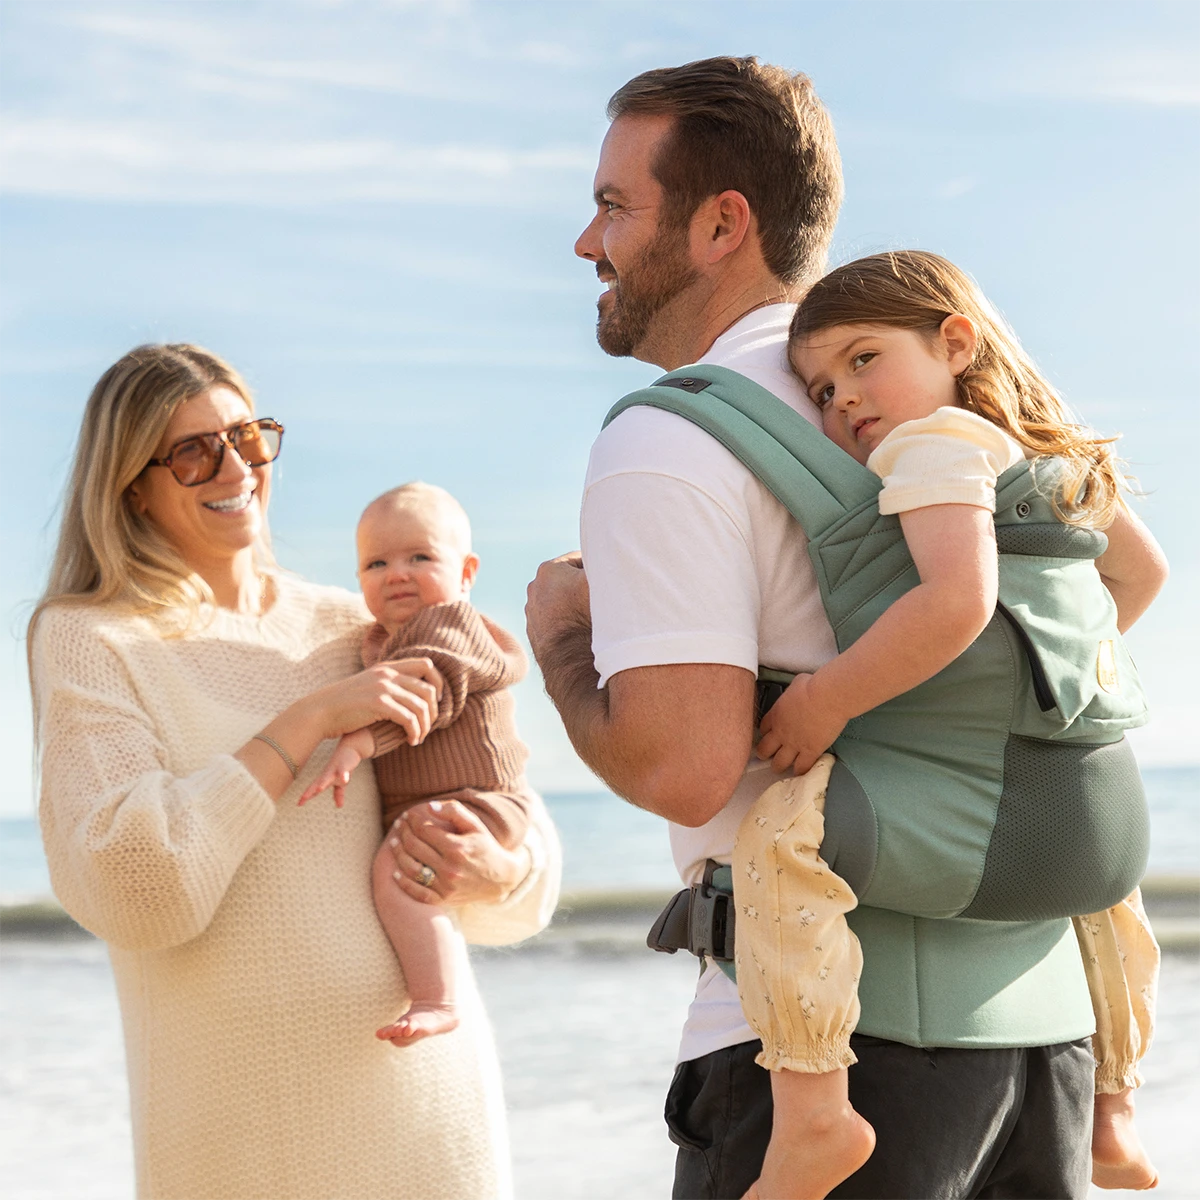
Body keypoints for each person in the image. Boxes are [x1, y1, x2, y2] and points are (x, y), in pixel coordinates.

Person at [525, 56, 1121, 1200]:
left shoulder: (671, 439)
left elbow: (687, 767)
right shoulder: (933, 393)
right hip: (1044, 1041)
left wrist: (563, 644)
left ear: (721, 224)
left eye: (612, 206)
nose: (585, 243)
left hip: (826, 1059)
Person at [30, 344, 561, 1200]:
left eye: (248, 436)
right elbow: (135, 890)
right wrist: (309, 721)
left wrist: (498, 867)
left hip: (429, 1125)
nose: (235, 467)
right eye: (195, 450)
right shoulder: (93, 638)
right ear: (133, 484)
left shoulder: (366, 622)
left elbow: (516, 856)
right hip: (242, 1146)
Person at [732, 248, 1165, 1196]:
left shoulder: (931, 445)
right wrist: (1031, 686)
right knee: (1102, 918)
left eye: (862, 359)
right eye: (819, 386)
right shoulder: (1062, 459)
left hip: (975, 828)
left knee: (772, 845)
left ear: (954, 341)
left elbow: (954, 604)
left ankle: (813, 1111)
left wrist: (826, 698)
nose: (841, 398)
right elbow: (1142, 575)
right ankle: (1118, 1107)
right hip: (1101, 827)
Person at [301, 481, 537, 1046]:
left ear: (466, 572)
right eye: (375, 563)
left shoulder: (447, 625)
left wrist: (357, 742)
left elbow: (426, 688)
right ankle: (436, 993)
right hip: (454, 798)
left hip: (475, 799)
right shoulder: (387, 638)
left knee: (398, 875)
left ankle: (438, 998)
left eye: (420, 557)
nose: (396, 573)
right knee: (408, 875)